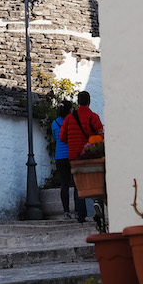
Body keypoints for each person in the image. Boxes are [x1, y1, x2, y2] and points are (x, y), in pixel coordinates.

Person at [59, 90, 104, 224]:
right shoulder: (93, 116)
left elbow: (62, 137)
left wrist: (72, 142)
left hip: (74, 156)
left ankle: (80, 215)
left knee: (78, 185)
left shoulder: (69, 118)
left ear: (78, 102)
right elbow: (101, 134)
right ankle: (98, 205)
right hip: (90, 154)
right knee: (96, 181)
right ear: (89, 102)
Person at [51, 98, 76, 220]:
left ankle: (66, 211)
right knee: (77, 184)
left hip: (60, 156)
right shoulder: (73, 121)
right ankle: (78, 210)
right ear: (69, 109)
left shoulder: (54, 123)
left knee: (64, 185)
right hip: (72, 155)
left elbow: (56, 138)